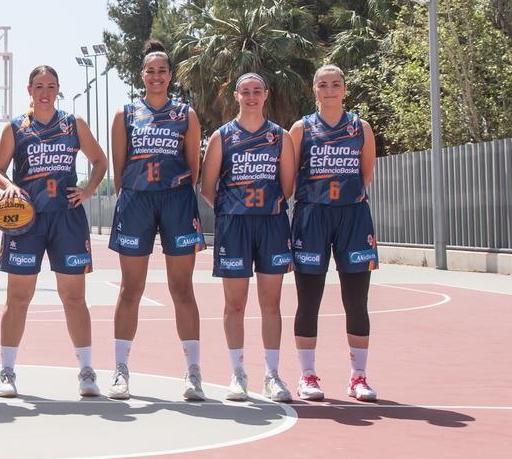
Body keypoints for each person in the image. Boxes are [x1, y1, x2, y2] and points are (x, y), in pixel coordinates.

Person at [0, 65, 107, 398]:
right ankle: (7, 371)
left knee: (73, 297)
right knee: (18, 298)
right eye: (38, 86)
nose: (44, 92)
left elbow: (100, 160)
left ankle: (86, 371)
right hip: (26, 221)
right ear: (29, 90)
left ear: (58, 90)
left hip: (67, 217)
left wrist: (88, 190)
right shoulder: (16, 128)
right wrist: (10, 185)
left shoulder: (73, 124)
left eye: (50, 86)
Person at [108, 39, 205, 400]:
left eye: (162, 71)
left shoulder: (185, 115)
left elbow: (192, 165)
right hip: (136, 202)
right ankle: (120, 370)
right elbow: (119, 169)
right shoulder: (126, 115)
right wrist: (133, 193)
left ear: (170, 75)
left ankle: (193, 371)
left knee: (182, 289)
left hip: (176, 201)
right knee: (130, 289)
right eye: (150, 71)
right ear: (142, 75)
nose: (156, 76)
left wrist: (176, 190)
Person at [199, 73, 295, 403]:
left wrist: (264, 206)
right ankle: (237, 373)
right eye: (245, 91)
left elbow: (287, 188)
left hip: (271, 224)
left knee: (271, 303)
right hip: (234, 227)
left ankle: (272, 374)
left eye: (257, 91)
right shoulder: (222, 137)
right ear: (236, 96)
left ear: (266, 94)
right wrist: (234, 209)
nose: (251, 96)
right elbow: (207, 189)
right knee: (235, 304)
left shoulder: (280, 137)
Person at [288, 65, 379, 402]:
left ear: (344, 88)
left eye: (335, 84)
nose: (329, 90)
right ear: (314, 90)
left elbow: (365, 172)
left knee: (356, 300)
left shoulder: (360, 127)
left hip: (353, 216)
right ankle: (307, 375)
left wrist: (344, 199)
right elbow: (290, 174)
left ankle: (358, 377)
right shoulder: (301, 129)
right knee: (308, 299)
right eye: (323, 84)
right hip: (312, 216)